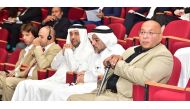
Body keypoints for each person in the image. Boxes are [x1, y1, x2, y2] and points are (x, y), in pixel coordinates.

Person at [68, 20, 174, 101]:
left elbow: (146, 78)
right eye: (142, 32)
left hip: (126, 98)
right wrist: (108, 64)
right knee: (71, 98)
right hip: (106, 92)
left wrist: (118, 64)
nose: (145, 36)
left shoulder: (163, 55)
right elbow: (116, 68)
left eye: (150, 33)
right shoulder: (131, 49)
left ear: (160, 36)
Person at [11, 24, 94, 100]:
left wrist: (69, 52)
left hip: (67, 84)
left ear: (83, 36)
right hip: (54, 80)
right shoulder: (68, 49)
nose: (73, 37)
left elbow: (74, 70)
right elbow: (54, 65)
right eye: (71, 34)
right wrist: (62, 53)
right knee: (24, 85)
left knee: (52, 92)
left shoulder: (89, 52)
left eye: (76, 34)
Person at [46, 25, 125, 100]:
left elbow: (104, 75)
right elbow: (82, 69)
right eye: (92, 40)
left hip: (102, 87)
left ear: (106, 40)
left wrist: (86, 77)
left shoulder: (117, 51)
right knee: (58, 92)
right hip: (87, 84)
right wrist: (82, 74)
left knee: (62, 94)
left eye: (96, 40)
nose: (93, 43)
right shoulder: (94, 52)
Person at [0, 26, 61, 101]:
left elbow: (43, 65)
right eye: (38, 36)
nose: (38, 39)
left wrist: (38, 46)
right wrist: (17, 74)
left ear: (49, 37)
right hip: (26, 77)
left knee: (9, 81)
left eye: (41, 37)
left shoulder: (55, 49)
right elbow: (28, 67)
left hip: (36, 80)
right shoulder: (42, 48)